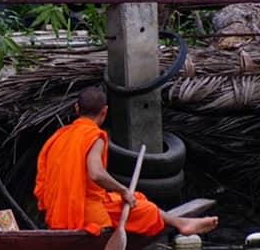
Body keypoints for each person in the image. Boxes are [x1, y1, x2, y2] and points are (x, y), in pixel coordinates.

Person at [35, 86, 218, 237]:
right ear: (104, 112)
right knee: (146, 209)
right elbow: (96, 173)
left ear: (76, 108)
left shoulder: (58, 136)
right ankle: (182, 225)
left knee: (136, 198)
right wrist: (122, 190)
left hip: (58, 209)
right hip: (85, 212)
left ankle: (181, 223)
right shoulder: (94, 136)